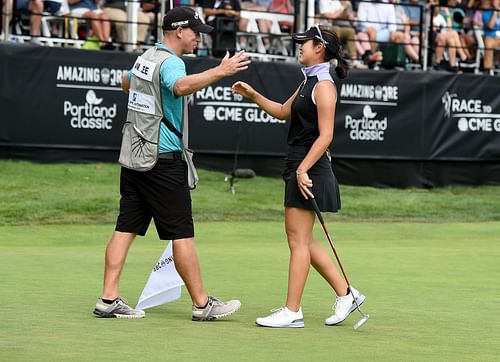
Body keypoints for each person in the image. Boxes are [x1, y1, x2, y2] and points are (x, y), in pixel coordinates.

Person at [93, 6, 251, 320]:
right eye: (195, 32)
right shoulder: (171, 62)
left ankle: (108, 299)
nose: (198, 39)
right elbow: (180, 86)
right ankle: (203, 305)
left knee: (125, 228)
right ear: (179, 30)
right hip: (163, 161)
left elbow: (126, 83)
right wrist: (221, 71)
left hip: (135, 157)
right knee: (181, 234)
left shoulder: (146, 58)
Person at [232, 25, 365, 328]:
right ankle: (347, 294)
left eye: (303, 43)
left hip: (310, 166)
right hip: (300, 163)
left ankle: (292, 311)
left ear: (319, 46)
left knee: (297, 240)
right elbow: (282, 111)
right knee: (302, 239)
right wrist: (253, 94)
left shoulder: (324, 85)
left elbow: (327, 136)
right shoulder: (308, 79)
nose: (299, 47)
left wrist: (303, 169)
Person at [482, 0, 500, 73]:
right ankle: (487, 69)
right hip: (491, 37)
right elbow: (490, 26)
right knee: (488, 44)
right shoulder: (486, 13)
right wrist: (495, 12)